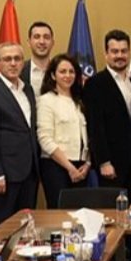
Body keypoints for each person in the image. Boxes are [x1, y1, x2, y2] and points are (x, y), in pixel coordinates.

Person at [84, 29, 131, 261]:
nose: (120, 55)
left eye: (124, 51)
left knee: (130, 213)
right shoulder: (95, 84)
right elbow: (95, 126)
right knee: (113, 216)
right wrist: (103, 160)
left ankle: (130, 260)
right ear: (106, 53)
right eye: (114, 51)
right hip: (111, 162)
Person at [0, 43, 39, 229]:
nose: (13, 63)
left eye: (17, 59)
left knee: (26, 226)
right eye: (7, 59)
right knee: (2, 227)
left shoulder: (27, 89)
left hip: (29, 171)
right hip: (5, 173)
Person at [37, 54, 92, 208]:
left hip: (81, 166)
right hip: (56, 166)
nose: (67, 75)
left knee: (79, 214)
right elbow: (45, 139)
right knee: (58, 213)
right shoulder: (46, 100)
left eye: (71, 71)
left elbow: (87, 136)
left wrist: (87, 163)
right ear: (53, 75)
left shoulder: (79, 100)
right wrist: (70, 168)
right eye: (62, 71)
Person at [21, 21, 54, 96]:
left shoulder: (60, 71)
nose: (42, 42)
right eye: (37, 37)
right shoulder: (19, 71)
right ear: (29, 42)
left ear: (52, 43)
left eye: (46, 37)